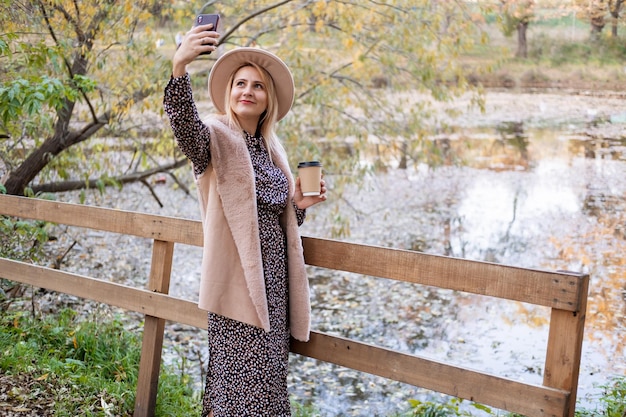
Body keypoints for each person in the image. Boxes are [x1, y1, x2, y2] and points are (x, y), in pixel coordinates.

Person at [163, 21, 327, 417]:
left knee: (268, 387)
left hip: (274, 290)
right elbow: (185, 128)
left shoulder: (271, 149)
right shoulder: (215, 139)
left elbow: (271, 221)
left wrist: (298, 207)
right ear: (228, 93)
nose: (248, 91)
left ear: (267, 99)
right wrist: (179, 67)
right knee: (236, 391)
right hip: (238, 287)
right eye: (240, 83)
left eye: (257, 86)